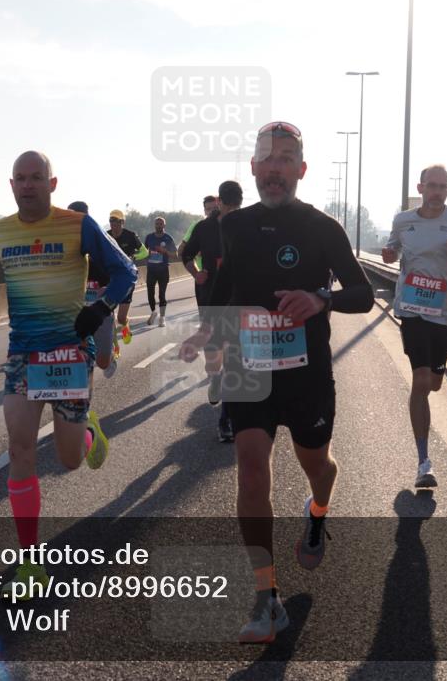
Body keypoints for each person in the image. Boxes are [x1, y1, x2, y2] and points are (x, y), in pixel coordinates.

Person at [180, 122, 374, 643]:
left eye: (286, 158)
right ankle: (266, 599)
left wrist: (321, 299)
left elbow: (364, 292)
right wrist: (207, 332)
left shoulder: (323, 227)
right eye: (266, 157)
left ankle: (318, 509)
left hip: (306, 372)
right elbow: (226, 284)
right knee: (249, 470)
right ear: (253, 168)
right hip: (250, 364)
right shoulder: (234, 225)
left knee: (317, 464)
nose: (275, 167)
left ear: (301, 170)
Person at [0, 152, 137, 597]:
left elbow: (126, 270)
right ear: (11, 185)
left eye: (36, 178)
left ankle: (87, 432)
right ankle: (29, 560)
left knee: (67, 460)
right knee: (20, 447)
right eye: (21, 179)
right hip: (24, 356)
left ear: (52, 182)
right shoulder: (0, 232)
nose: (28, 185)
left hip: (68, 355)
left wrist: (100, 308)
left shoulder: (78, 226)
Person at [381, 164, 447, 488]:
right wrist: (389, 252)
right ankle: (423, 462)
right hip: (411, 309)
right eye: (432, 185)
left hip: (443, 312)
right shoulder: (403, 221)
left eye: (443, 186)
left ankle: (423, 436)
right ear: (421, 187)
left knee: (435, 383)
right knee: (420, 378)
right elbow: (392, 247)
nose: (437, 191)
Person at [182, 180, 243, 442]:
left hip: (236, 302)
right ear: (218, 202)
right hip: (210, 299)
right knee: (213, 359)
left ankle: (226, 420)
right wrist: (197, 274)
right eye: (228, 205)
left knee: (233, 360)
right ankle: (214, 379)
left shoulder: (247, 225)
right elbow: (185, 254)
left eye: (235, 206)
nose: (231, 210)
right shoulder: (204, 227)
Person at [67, 201, 119, 377]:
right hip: (76, 311)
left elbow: (122, 276)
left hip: (100, 310)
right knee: (78, 357)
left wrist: (105, 295)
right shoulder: (65, 244)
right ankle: (81, 399)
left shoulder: (102, 243)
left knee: (102, 363)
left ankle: (110, 354)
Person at [107, 209, 149, 349]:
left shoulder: (130, 236)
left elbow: (145, 252)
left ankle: (126, 329)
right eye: (111, 220)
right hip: (111, 278)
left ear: (122, 222)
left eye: (116, 221)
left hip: (127, 278)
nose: (113, 224)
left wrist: (133, 257)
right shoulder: (106, 236)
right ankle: (114, 348)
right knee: (109, 316)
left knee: (121, 318)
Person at [178, 195, 218, 312]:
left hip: (226, 279)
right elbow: (181, 251)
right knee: (206, 320)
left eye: (215, 208)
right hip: (205, 278)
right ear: (205, 211)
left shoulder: (229, 224)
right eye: (209, 209)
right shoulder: (198, 226)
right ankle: (125, 330)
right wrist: (196, 274)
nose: (212, 211)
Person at [143, 216, 178, 326]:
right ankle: (153, 312)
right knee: (150, 293)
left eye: (160, 224)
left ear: (164, 225)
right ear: (154, 225)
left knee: (161, 295)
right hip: (151, 270)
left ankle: (162, 318)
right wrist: (145, 256)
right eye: (157, 224)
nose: (158, 226)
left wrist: (165, 251)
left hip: (163, 270)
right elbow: (144, 252)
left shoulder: (168, 238)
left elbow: (175, 255)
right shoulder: (149, 237)